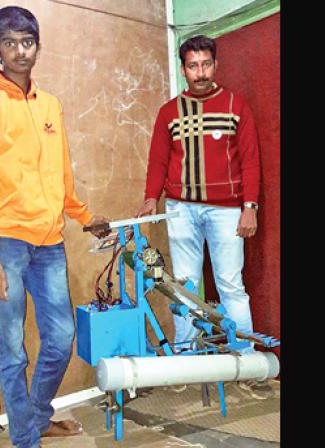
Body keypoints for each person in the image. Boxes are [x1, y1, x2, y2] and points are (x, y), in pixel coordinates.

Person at [0, 6, 108, 447]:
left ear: (37, 45)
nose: (20, 51)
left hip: (49, 243)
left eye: (27, 42)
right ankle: (25, 439)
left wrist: (84, 216)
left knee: (61, 338)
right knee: (11, 352)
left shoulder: (49, 105)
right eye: (10, 43)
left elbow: (60, 172)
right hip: (3, 242)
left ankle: (36, 416)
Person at [136, 35, 270, 399]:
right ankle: (185, 360)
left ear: (216, 65)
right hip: (181, 209)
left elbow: (251, 161)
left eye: (206, 64)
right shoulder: (169, 112)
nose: (200, 72)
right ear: (183, 70)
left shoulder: (235, 106)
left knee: (230, 285)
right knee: (183, 286)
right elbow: (158, 160)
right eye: (193, 65)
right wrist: (151, 198)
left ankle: (245, 361)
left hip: (228, 211)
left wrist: (250, 207)